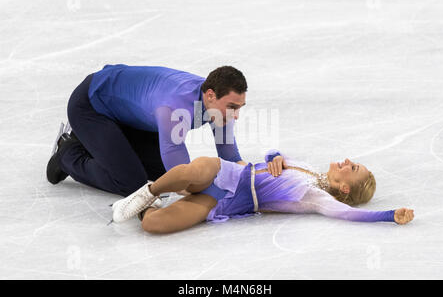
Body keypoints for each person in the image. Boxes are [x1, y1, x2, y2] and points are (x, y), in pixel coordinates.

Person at [46, 65, 247, 200]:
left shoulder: (219, 106)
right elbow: (183, 181)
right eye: (232, 107)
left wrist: (259, 178)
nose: (236, 115)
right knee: (132, 184)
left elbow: (230, 157)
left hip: (126, 114)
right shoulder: (175, 109)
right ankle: (67, 152)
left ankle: (94, 141)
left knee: (160, 172)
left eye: (239, 107)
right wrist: (222, 195)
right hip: (90, 106)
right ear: (210, 95)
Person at [111, 150, 415, 234]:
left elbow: (348, 213)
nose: (348, 161)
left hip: (228, 202)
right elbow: (273, 154)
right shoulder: (308, 167)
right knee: (191, 172)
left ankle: (150, 205)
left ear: (345, 187)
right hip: (229, 172)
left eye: (353, 167)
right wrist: (273, 156)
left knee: (154, 224)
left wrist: (389, 215)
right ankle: (147, 192)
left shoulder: (316, 197)